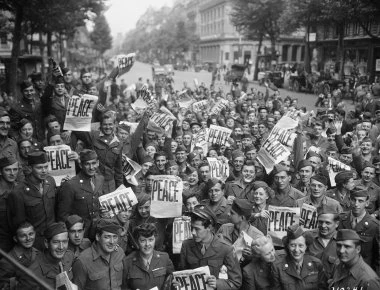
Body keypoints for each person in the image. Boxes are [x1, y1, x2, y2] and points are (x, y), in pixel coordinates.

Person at [178, 205, 242, 289]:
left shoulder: (226, 249)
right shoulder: (186, 245)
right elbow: (181, 273)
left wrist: (217, 283)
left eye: (197, 229)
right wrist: (178, 282)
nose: (193, 232)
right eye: (191, 228)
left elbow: (236, 282)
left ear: (209, 227)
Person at [8, 151, 57, 250]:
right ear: (30, 168)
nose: (44, 171)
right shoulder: (18, 192)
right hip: (34, 244)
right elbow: (19, 225)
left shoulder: (50, 181)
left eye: (46, 167)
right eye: (39, 168)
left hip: (53, 239)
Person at [57, 150, 105, 236]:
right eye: (87, 164)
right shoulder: (71, 185)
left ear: (98, 163)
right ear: (80, 165)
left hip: (97, 231)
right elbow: (63, 216)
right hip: (79, 234)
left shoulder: (100, 179)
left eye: (94, 163)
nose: (91, 167)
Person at [18, 222, 74, 289]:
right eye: (56, 242)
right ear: (46, 243)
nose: (61, 247)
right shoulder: (32, 274)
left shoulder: (69, 256)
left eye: (64, 242)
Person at [72, 219, 125, 290]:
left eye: (115, 237)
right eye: (107, 237)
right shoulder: (82, 262)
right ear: (97, 237)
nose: (112, 242)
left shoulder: (119, 253)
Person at [338, 187, 380, 273]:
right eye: (354, 200)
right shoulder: (340, 219)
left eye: (360, 201)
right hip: (341, 270)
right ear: (349, 200)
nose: (356, 204)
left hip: (362, 273)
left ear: (367, 203)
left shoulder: (374, 226)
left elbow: (378, 258)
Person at [272, 224, 326, 290]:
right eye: (293, 245)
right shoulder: (278, 267)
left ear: (306, 246)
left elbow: (322, 288)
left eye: (301, 246)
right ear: (287, 246)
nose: (296, 250)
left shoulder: (317, 264)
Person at [123, 223, 174, 290]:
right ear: (137, 242)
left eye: (151, 240)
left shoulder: (164, 258)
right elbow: (123, 287)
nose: (147, 244)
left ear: (155, 240)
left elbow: (172, 281)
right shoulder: (127, 262)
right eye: (143, 240)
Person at [217, 199, 263, 265]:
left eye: (232, 213)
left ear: (242, 218)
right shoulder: (224, 228)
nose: (228, 214)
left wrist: (252, 257)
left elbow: (260, 263)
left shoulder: (258, 236)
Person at [0, 221, 39, 289]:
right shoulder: (7, 261)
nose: (28, 238)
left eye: (31, 234)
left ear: (35, 234)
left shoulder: (38, 253)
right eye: (23, 236)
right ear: (15, 239)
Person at [308, 207, 340, 278]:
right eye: (320, 222)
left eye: (327, 223)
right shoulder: (308, 237)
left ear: (337, 224)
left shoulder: (342, 241)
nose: (323, 226)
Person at [0, 156, 19, 251]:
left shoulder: (20, 189)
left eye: (15, 169)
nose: (12, 173)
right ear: (0, 172)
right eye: (8, 170)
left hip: (18, 242)